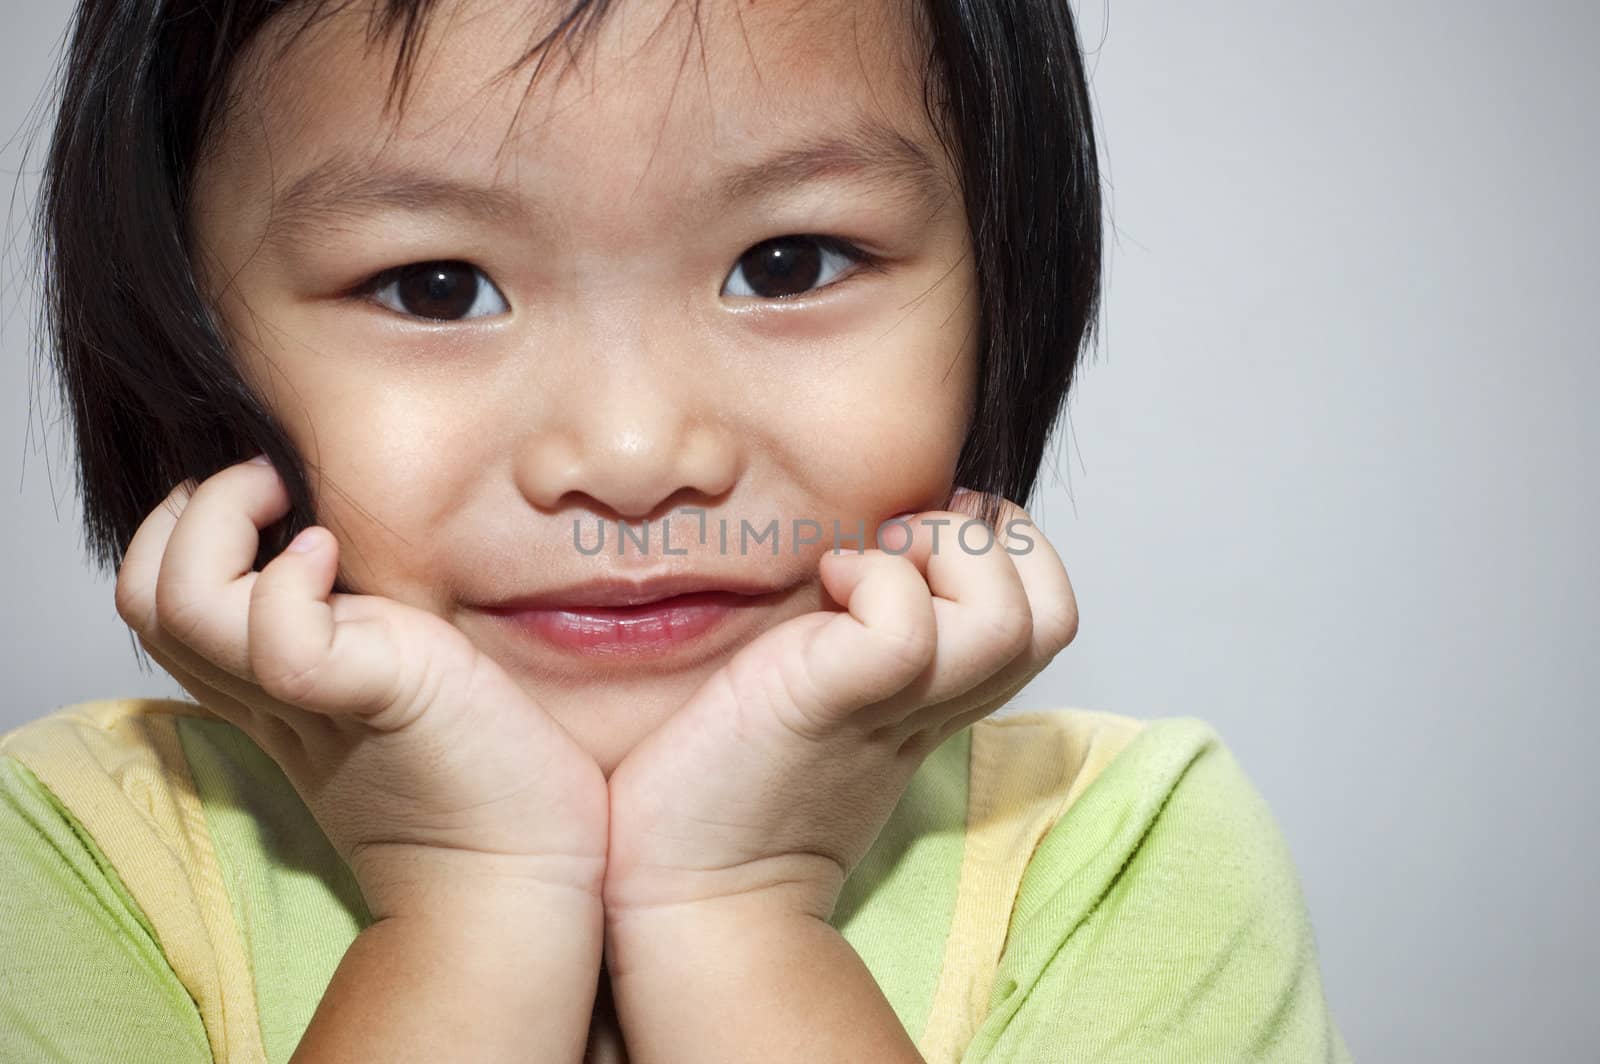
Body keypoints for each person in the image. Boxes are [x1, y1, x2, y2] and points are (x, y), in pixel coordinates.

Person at [1, 1, 1353, 1061]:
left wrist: (737, 915)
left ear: (1007, 284)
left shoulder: (1121, 853)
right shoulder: (64, 859)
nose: (637, 458)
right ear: (179, 318)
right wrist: (468, 903)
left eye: (790, 263)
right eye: (435, 285)